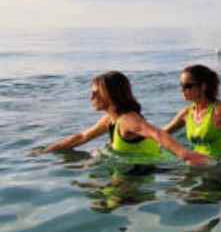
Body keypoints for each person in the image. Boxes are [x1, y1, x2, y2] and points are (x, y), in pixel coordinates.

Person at [41, 71, 207, 165]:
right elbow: (82, 137)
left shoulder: (128, 120)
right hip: (132, 166)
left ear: (110, 95)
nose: (91, 97)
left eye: (95, 93)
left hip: (145, 171)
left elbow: (157, 134)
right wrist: (45, 151)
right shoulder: (110, 119)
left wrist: (186, 154)